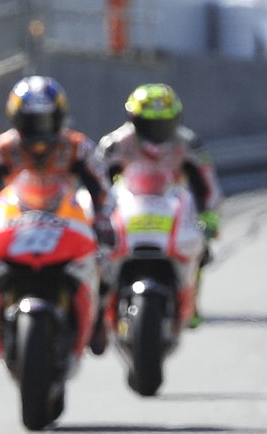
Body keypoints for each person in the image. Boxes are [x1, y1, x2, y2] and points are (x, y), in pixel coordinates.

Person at [0, 76, 115, 343]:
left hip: (66, 217)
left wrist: (102, 219)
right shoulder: (1, 149)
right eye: (31, 121)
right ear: (16, 119)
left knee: (105, 256)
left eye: (45, 120)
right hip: (17, 221)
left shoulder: (78, 146)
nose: (39, 131)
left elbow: (103, 190)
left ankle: (97, 315)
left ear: (59, 117)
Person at [95, 83, 223, 326]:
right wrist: (95, 215)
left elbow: (206, 182)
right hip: (129, 205)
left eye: (163, 123)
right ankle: (101, 303)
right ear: (133, 119)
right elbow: (97, 182)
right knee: (97, 249)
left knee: (203, 250)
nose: (156, 131)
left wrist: (210, 215)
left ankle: (191, 299)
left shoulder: (188, 143)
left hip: (171, 204)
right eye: (149, 123)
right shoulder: (115, 143)